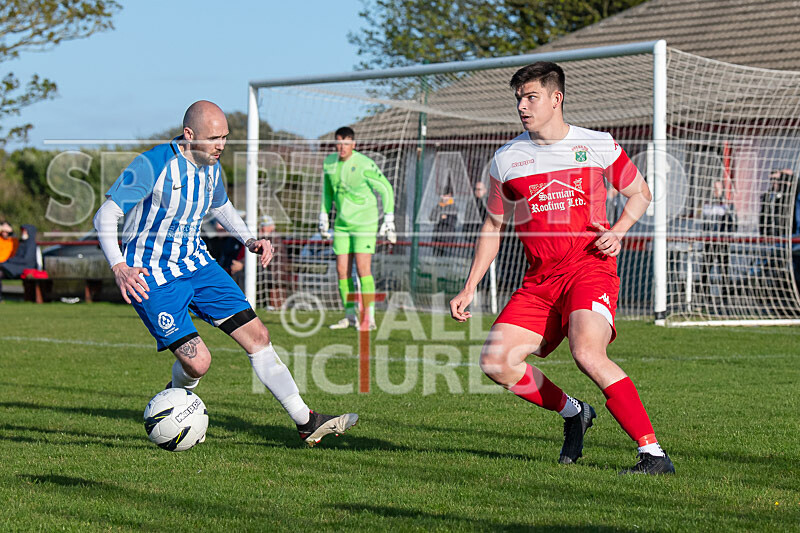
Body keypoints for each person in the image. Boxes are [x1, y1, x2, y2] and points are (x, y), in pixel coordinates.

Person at [450, 62, 674, 475]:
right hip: (540, 281)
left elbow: (640, 192)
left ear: (557, 98)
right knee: (497, 362)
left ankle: (653, 454)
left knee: (587, 352)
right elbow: (494, 226)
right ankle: (575, 413)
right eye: (518, 97)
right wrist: (469, 287)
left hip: (590, 268)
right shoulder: (506, 159)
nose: (522, 105)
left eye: (531, 96)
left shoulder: (598, 144)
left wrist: (620, 230)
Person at [93, 101, 357, 446]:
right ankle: (174, 405)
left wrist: (249, 239)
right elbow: (105, 216)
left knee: (258, 335)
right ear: (189, 135)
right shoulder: (153, 164)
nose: (221, 145)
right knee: (199, 364)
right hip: (153, 277)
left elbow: (221, 206)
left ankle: (306, 421)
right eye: (214, 137)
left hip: (198, 266)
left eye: (225, 138)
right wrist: (119, 266)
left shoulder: (210, 165)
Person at [319, 126, 396, 330]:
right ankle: (350, 315)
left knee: (363, 269)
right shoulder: (329, 163)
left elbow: (386, 188)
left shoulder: (364, 164)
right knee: (342, 270)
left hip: (365, 223)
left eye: (346, 143)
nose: (342, 147)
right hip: (342, 225)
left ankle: (368, 317)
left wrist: (389, 218)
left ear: (353, 144)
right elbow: (327, 192)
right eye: (339, 142)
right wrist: (323, 215)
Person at [0, 224, 38, 300]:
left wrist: (10, 261)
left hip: (24, 268)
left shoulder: (31, 244)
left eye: (24, 231)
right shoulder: (22, 243)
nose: (23, 233)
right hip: (15, 266)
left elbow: (27, 260)